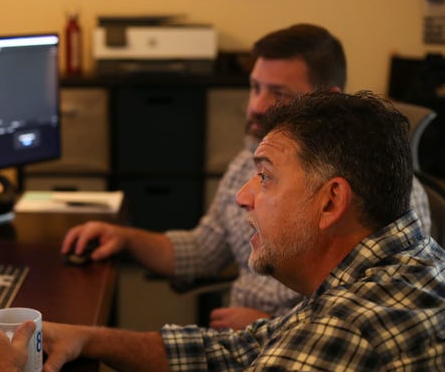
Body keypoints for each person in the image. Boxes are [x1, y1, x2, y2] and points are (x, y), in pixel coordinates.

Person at [0, 91, 445, 372]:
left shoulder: (354, 329)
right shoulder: (393, 267)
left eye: (265, 177)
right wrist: (85, 338)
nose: (243, 195)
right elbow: (233, 353)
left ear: (331, 201)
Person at [61, 23, 432, 330]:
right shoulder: (247, 161)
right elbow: (203, 250)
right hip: (237, 344)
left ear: (326, 99)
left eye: (278, 93)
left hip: (292, 347)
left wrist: (270, 323)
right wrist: (126, 239)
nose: (256, 105)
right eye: (255, 87)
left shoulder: (381, 192)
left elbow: (373, 310)